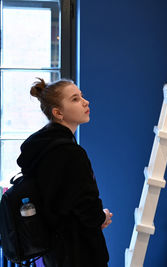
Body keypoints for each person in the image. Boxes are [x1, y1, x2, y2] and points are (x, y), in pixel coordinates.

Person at [16, 78, 112, 267]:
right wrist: (102, 216)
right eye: (75, 99)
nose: (86, 102)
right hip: (78, 252)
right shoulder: (70, 153)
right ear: (58, 113)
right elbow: (87, 206)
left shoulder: (41, 148)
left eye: (82, 96)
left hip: (52, 251)